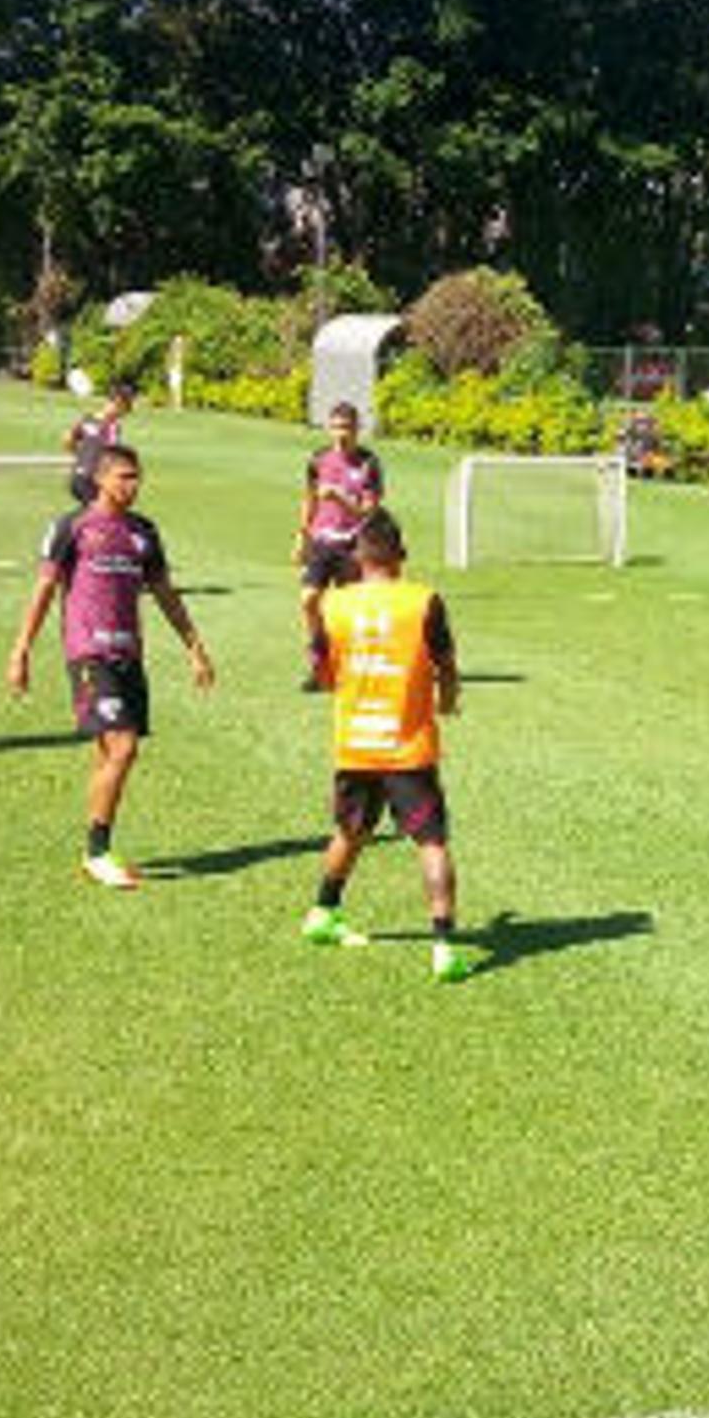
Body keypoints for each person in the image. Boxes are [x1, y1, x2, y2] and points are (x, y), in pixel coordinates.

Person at [8, 442, 216, 889]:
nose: (133, 484)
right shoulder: (73, 527)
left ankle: (96, 847)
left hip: (129, 655)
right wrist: (21, 649)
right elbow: (44, 591)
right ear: (99, 479)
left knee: (108, 753)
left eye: (137, 476)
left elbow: (164, 593)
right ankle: (97, 851)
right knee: (123, 748)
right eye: (124, 476)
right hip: (89, 653)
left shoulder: (144, 532)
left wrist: (194, 646)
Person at [299, 511, 471, 982]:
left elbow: (321, 674)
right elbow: (447, 663)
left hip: (355, 744)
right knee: (431, 842)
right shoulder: (423, 601)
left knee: (350, 832)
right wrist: (449, 699)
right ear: (402, 554)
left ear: (357, 557)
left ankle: (322, 912)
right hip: (406, 749)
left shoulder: (335, 605)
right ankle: (443, 945)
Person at [294, 401, 388, 686]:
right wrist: (302, 536)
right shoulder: (318, 459)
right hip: (322, 541)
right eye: (335, 427)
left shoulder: (369, 463)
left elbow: (369, 510)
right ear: (328, 428)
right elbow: (309, 499)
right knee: (309, 599)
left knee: (350, 610)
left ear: (358, 429)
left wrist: (340, 498)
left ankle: (349, 665)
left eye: (346, 427)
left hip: (354, 544)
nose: (340, 433)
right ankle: (318, 657)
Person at [63, 382, 135, 507]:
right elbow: (112, 456)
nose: (125, 413)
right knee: (100, 514)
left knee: (92, 513)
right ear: (119, 403)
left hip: (78, 478)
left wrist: (80, 456)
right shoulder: (112, 427)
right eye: (126, 407)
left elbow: (68, 439)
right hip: (90, 480)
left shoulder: (87, 419)